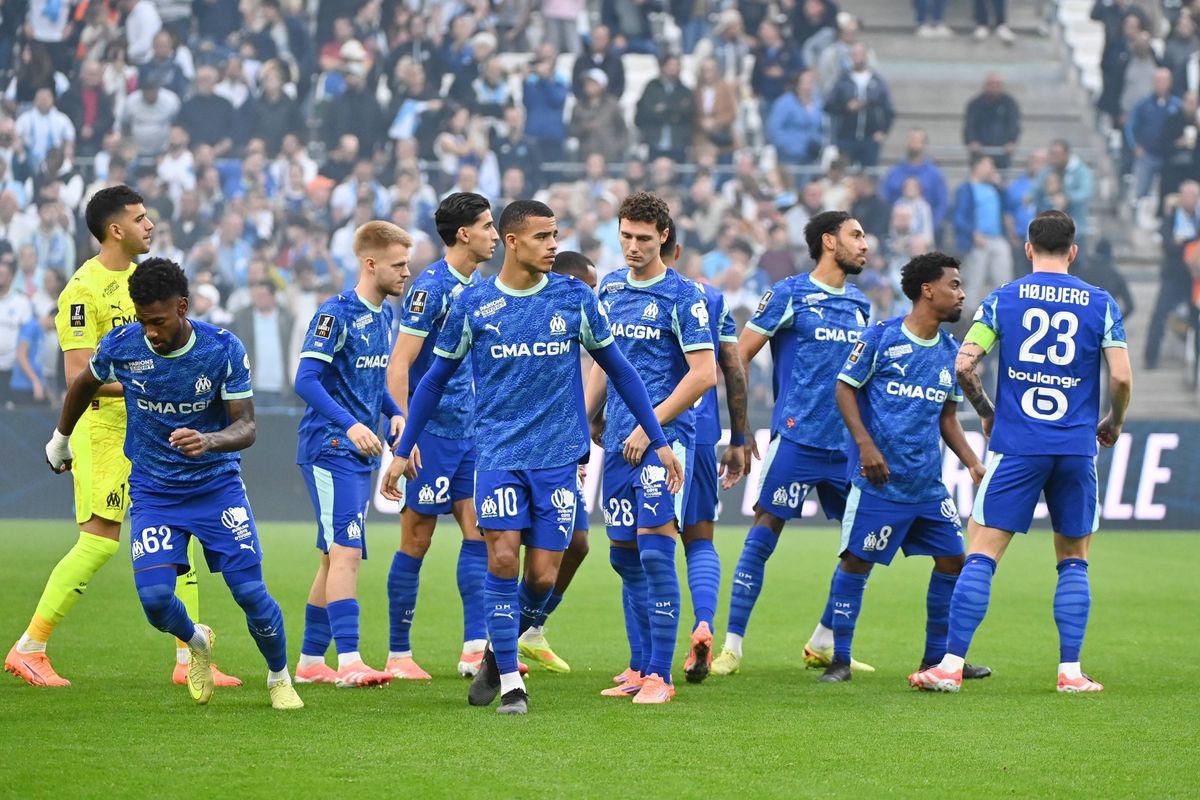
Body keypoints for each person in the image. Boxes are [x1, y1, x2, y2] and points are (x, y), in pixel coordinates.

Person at [382, 199, 683, 715]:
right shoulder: (474, 304)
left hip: (559, 460)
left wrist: (656, 438)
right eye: (543, 237)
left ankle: (496, 658)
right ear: (513, 241)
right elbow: (432, 381)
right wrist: (404, 447)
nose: (553, 245)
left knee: (543, 576)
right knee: (500, 557)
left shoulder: (574, 298)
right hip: (497, 454)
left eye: (556, 234)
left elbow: (622, 372)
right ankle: (512, 687)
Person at [43, 258, 303, 710]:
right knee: (157, 601)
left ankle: (279, 678)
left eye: (159, 321)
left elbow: (247, 427)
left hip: (216, 486)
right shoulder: (124, 344)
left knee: (249, 593)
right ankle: (196, 639)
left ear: (182, 307)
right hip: (154, 492)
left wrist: (210, 439)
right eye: (143, 321)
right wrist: (61, 439)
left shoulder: (221, 348)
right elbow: (83, 383)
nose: (151, 332)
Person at [6, 187, 239, 689]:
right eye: (140, 217)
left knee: (178, 540)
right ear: (116, 229)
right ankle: (30, 647)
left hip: (148, 431)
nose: (149, 224)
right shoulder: (82, 290)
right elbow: (77, 375)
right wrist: (147, 383)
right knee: (99, 542)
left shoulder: (145, 281)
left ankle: (188, 659)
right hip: (103, 431)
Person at [910, 210, 1133, 694]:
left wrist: (988, 413)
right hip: (1075, 449)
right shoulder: (1101, 304)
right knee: (1073, 558)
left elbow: (964, 365)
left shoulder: (1003, 299)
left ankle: (949, 665)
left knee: (982, 554)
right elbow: (1120, 377)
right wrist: (1112, 422)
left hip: (1018, 447)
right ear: (1072, 251)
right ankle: (1070, 672)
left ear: (1028, 248)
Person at [815, 252, 992, 684]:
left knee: (954, 560)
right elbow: (844, 388)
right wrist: (865, 445)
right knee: (856, 563)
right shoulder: (881, 337)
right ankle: (839, 659)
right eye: (954, 284)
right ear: (927, 290)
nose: (961, 293)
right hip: (880, 484)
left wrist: (972, 463)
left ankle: (935, 659)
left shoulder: (951, 353)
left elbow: (947, 418)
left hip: (927, 488)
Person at [709, 211, 872, 677]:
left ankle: (824, 640)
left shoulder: (861, 304)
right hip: (797, 438)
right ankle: (733, 647)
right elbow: (736, 357)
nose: (865, 244)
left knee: (861, 546)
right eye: (855, 236)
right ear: (828, 241)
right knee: (763, 537)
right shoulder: (789, 294)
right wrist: (740, 432)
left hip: (847, 447)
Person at [584, 192, 716, 703]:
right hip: (617, 444)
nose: (633, 247)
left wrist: (651, 426)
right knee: (624, 556)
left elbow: (704, 373)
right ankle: (639, 666)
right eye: (625, 237)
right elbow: (602, 364)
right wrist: (585, 421)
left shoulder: (685, 296)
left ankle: (661, 675)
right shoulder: (611, 288)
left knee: (658, 553)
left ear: (664, 237)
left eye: (643, 238)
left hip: (665, 444)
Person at [292, 221, 412, 688]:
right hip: (330, 447)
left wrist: (394, 411)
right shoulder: (335, 313)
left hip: (358, 450)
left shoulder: (383, 314)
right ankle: (350, 661)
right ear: (370, 264)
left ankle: (308, 661)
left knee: (332, 556)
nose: (406, 273)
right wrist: (353, 423)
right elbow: (306, 380)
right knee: (346, 552)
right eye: (398, 265)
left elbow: (371, 378)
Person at [383, 193, 497, 680]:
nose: (496, 235)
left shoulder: (482, 285)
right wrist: (405, 434)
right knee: (418, 537)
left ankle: (474, 647)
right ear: (464, 234)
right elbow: (400, 364)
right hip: (432, 433)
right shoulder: (430, 288)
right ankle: (398, 652)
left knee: (481, 532)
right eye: (489, 226)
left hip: (474, 433)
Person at [666, 219, 749, 684]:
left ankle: (647, 656)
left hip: (650, 430)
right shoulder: (711, 298)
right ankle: (703, 623)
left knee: (645, 546)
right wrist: (737, 438)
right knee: (700, 538)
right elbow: (732, 369)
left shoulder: (631, 292)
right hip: (699, 433)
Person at [516, 249, 600, 673]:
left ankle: (530, 631)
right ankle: (488, 645)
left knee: (578, 544)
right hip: (516, 454)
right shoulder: (531, 316)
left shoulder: (576, 328)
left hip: (562, 454)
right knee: (504, 554)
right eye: (590, 289)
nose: (594, 300)